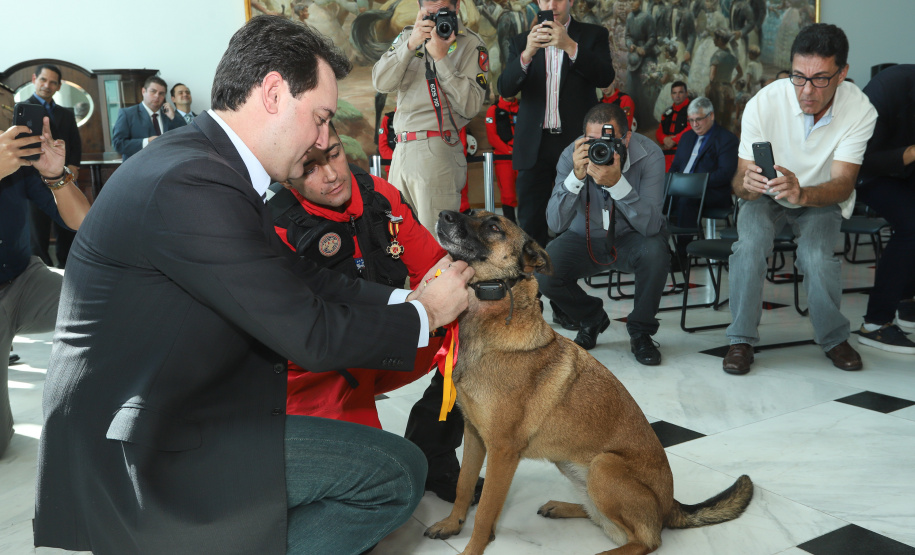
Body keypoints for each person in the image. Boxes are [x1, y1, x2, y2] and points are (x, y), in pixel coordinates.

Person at [33, 16, 473, 555]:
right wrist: (424, 316)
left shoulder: (206, 164)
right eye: (320, 118)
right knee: (396, 473)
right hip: (147, 443)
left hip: (181, 404)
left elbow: (298, 278)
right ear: (271, 93)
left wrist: (410, 299)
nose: (323, 139)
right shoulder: (192, 181)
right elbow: (306, 331)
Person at [270, 122, 480, 502]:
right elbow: (311, 333)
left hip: (384, 337)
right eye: (310, 168)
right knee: (381, 490)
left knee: (472, 332)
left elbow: (433, 266)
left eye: (334, 154)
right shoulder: (277, 229)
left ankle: (434, 452)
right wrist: (418, 306)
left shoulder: (378, 195)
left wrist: (439, 297)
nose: (332, 175)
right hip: (323, 367)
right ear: (287, 179)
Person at [724, 23, 877, 376]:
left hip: (819, 194)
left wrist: (803, 193)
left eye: (820, 78)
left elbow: (843, 182)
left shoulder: (860, 110)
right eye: (798, 77)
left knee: (817, 256)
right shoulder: (764, 102)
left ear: (842, 74)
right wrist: (748, 184)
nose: (806, 90)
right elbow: (740, 184)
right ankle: (741, 340)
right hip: (767, 194)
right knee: (749, 246)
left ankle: (834, 338)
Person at [536, 103, 668, 365]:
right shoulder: (572, 154)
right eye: (591, 140)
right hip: (583, 237)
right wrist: (575, 177)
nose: (599, 148)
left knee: (656, 251)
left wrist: (618, 184)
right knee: (543, 268)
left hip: (632, 238)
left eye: (608, 140)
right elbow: (555, 222)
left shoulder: (650, 154)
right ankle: (591, 317)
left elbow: (652, 226)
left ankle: (641, 332)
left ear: (626, 138)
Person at [0, 119, 90, 458]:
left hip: (24, 279)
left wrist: (55, 173)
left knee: (112, 300)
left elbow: (82, 220)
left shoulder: (13, 157)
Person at [497, 0, 614, 248]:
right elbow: (505, 88)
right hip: (534, 145)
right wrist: (527, 54)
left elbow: (605, 77)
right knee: (530, 222)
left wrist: (570, 46)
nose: (552, 4)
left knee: (575, 219)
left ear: (570, 1)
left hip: (576, 143)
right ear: (538, 3)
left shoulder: (593, 35)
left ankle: (566, 279)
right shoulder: (521, 41)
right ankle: (533, 284)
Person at [371, 0, 488, 233]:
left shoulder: (471, 44)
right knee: (400, 240)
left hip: (436, 148)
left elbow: (471, 106)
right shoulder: (408, 36)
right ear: (419, 7)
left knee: (436, 244)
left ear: (457, 7)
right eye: (429, 13)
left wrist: (442, 59)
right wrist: (410, 45)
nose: (436, 20)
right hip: (401, 150)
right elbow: (381, 82)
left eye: (443, 12)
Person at [853, 64, 915, 354]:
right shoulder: (888, 87)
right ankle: (876, 324)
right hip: (867, 172)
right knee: (911, 226)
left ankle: (906, 302)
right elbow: (863, 159)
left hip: (905, 172)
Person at [668, 96, 738, 264]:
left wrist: (694, 184)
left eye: (698, 119)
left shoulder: (726, 139)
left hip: (713, 193)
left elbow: (725, 174)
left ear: (711, 116)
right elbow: (676, 166)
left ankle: (681, 255)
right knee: (657, 197)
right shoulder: (686, 138)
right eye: (691, 120)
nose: (695, 124)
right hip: (682, 189)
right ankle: (662, 251)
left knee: (686, 199)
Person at [25, 64, 82, 268]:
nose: (46, 85)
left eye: (52, 82)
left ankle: (67, 266)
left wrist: (74, 166)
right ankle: (42, 267)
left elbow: (75, 142)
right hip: (32, 179)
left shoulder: (66, 113)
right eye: (43, 80)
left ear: (58, 86)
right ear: (34, 79)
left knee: (67, 225)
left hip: (63, 176)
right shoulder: (23, 109)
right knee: (37, 228)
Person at [111, 76, 187, 160]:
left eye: (161, 93)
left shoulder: (169, 114)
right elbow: (118, 144)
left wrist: (173, 117)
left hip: (166, 167)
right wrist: (146, 142)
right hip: (139, 169)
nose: (157, 96)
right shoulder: (128, 114)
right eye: (153, 91)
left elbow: (185, 137)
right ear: (143, 91)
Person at [484, 94, 519, 222]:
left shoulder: (522, 107)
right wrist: (508, 150)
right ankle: (511, 226)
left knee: (528, 193)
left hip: (523, 157)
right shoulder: (492, 110)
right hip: (504, 158)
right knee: (508, 195)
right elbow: (492, 137)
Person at [656, 80, 690, 171]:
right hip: (667, 156)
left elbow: (691, 129)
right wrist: (664, 139)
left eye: (680, 92)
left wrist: (674, 140)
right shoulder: (667, 112)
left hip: (685, 155)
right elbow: (659, 131)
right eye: (674, 93)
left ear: (686, 93)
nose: (677, 96)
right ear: (671, 95)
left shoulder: (692, 110)